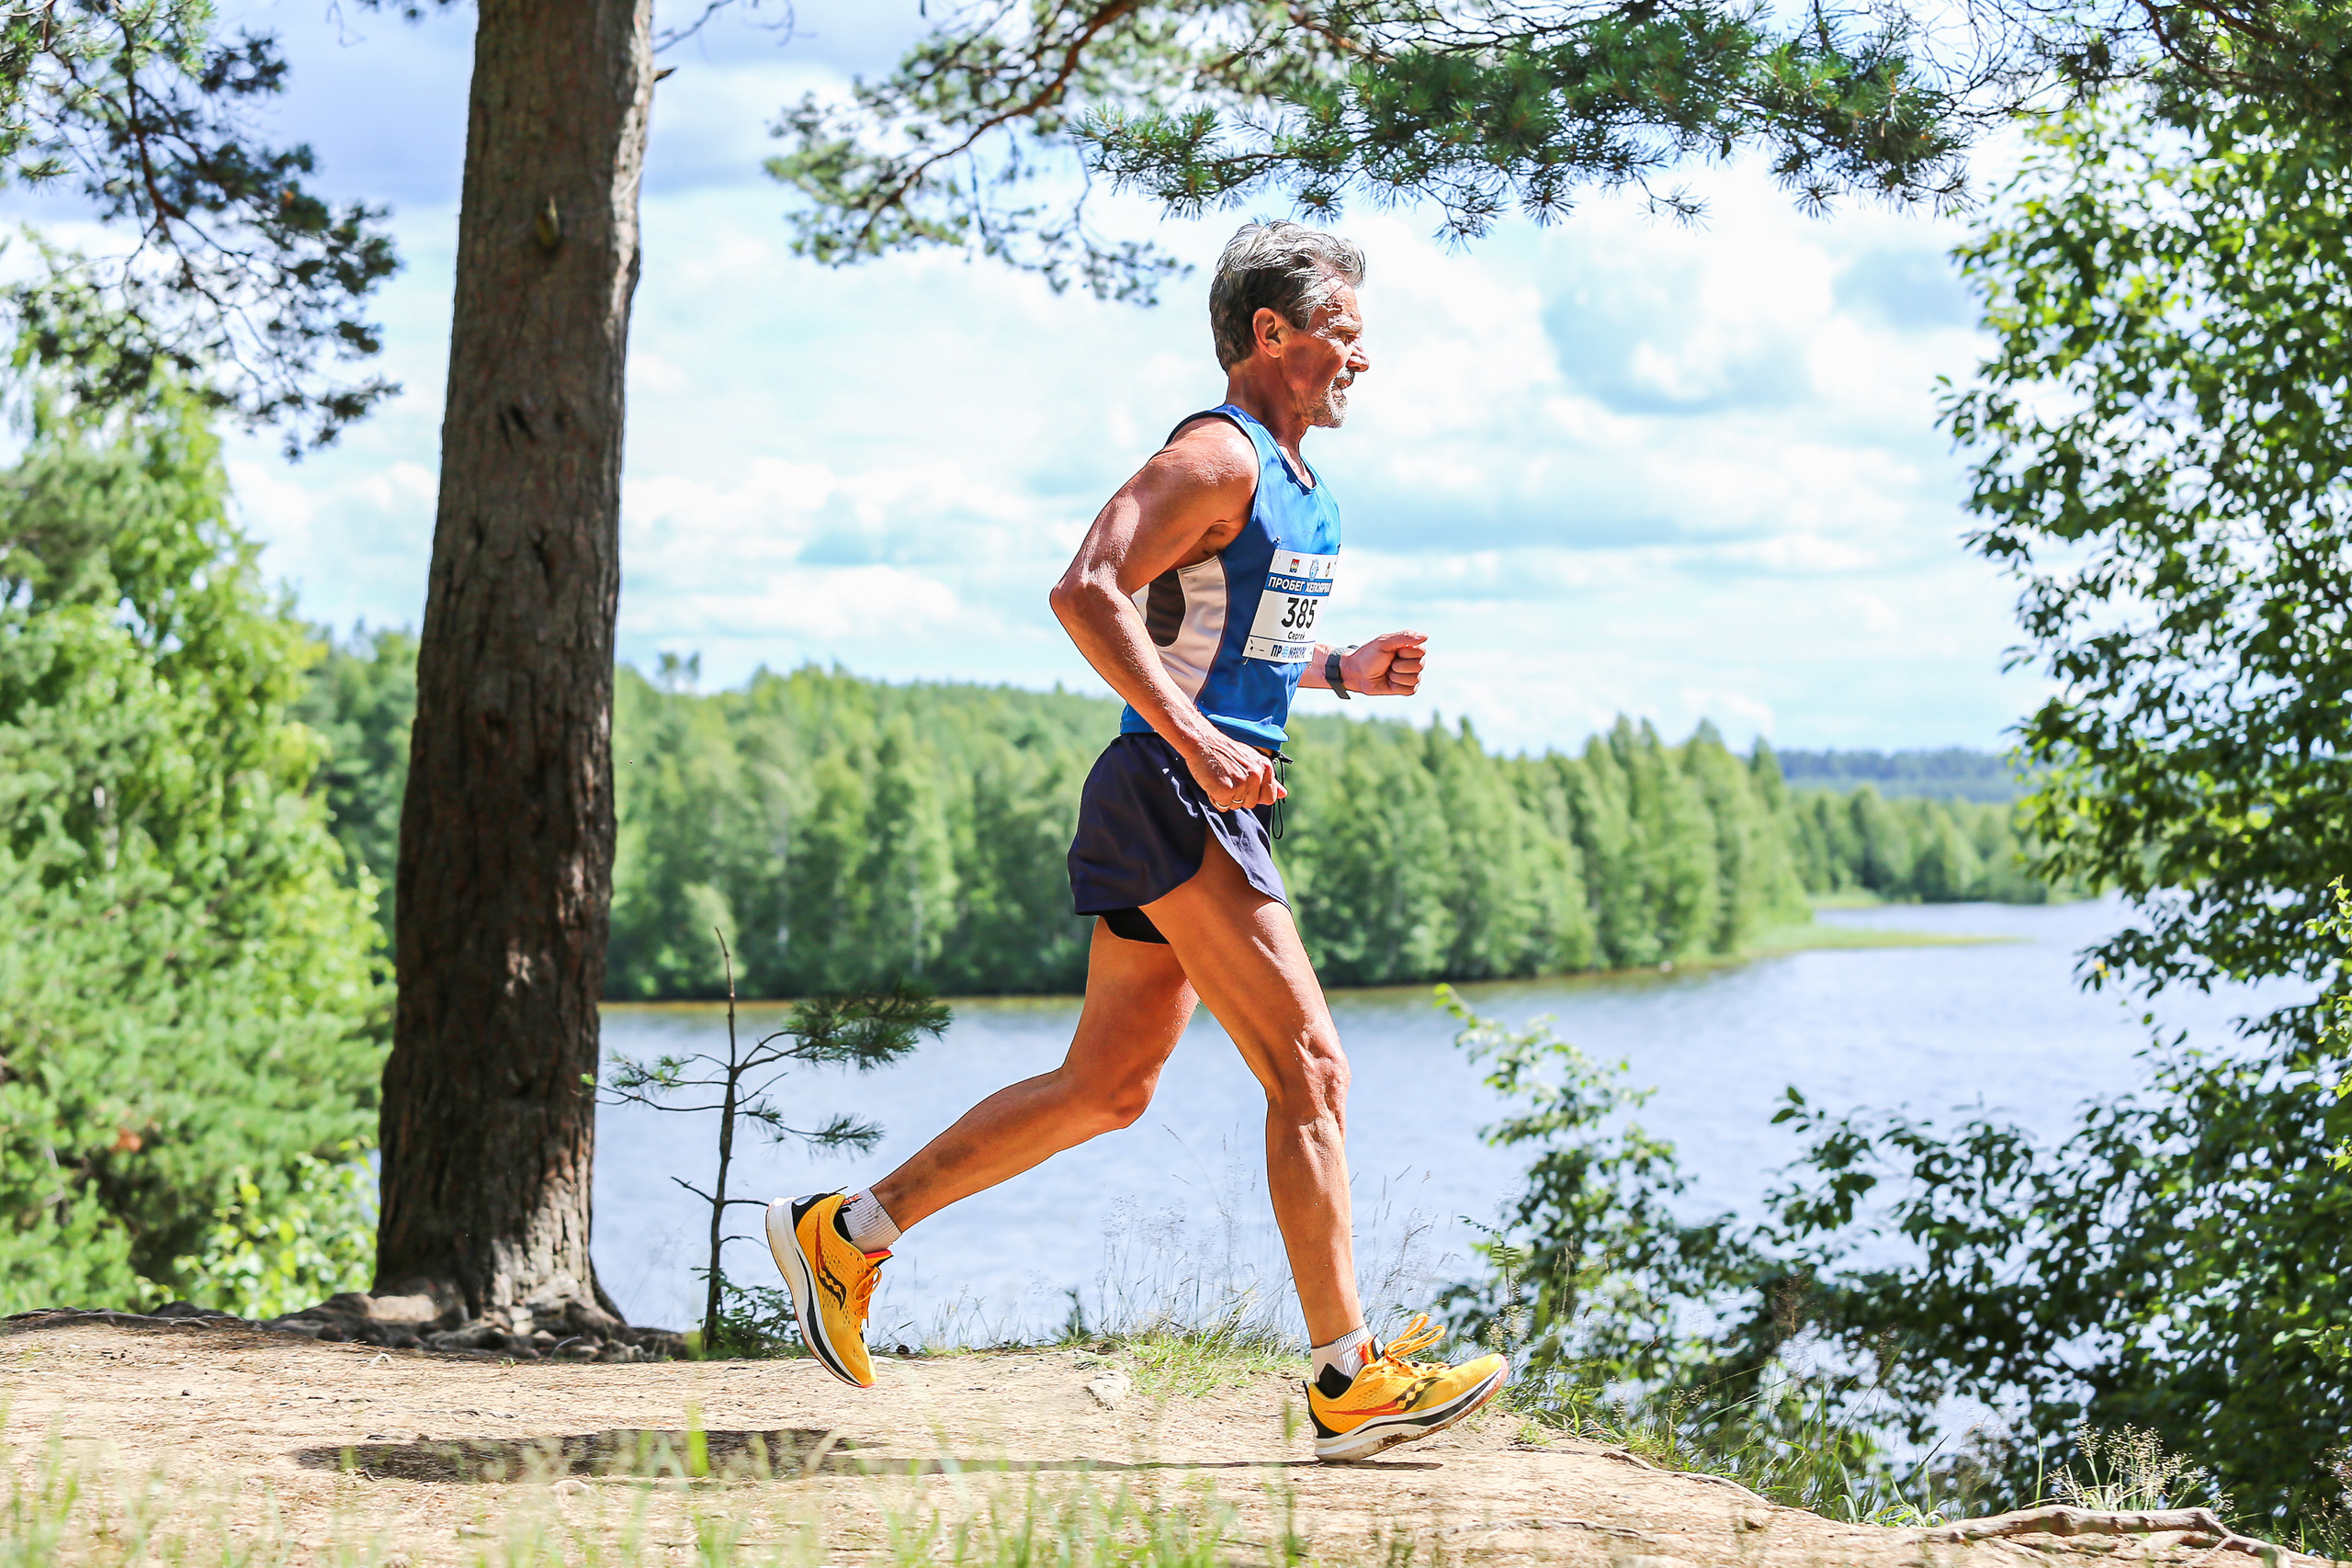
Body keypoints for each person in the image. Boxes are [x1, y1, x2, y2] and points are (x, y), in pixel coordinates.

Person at [766, 220, 1508, 1461]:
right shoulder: (1217, 454)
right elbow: (1085, 588)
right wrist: (1198, 745)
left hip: (1187, 788)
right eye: (1346, 338)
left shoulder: (1291, 478)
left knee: (1109, 1086)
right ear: (1272, 335)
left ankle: (849, 1232)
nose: (1361, 364)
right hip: (1175, 793)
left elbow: (1209, 635)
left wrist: (1339, 669)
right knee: (1311, 1070)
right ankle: (1347, 1378)